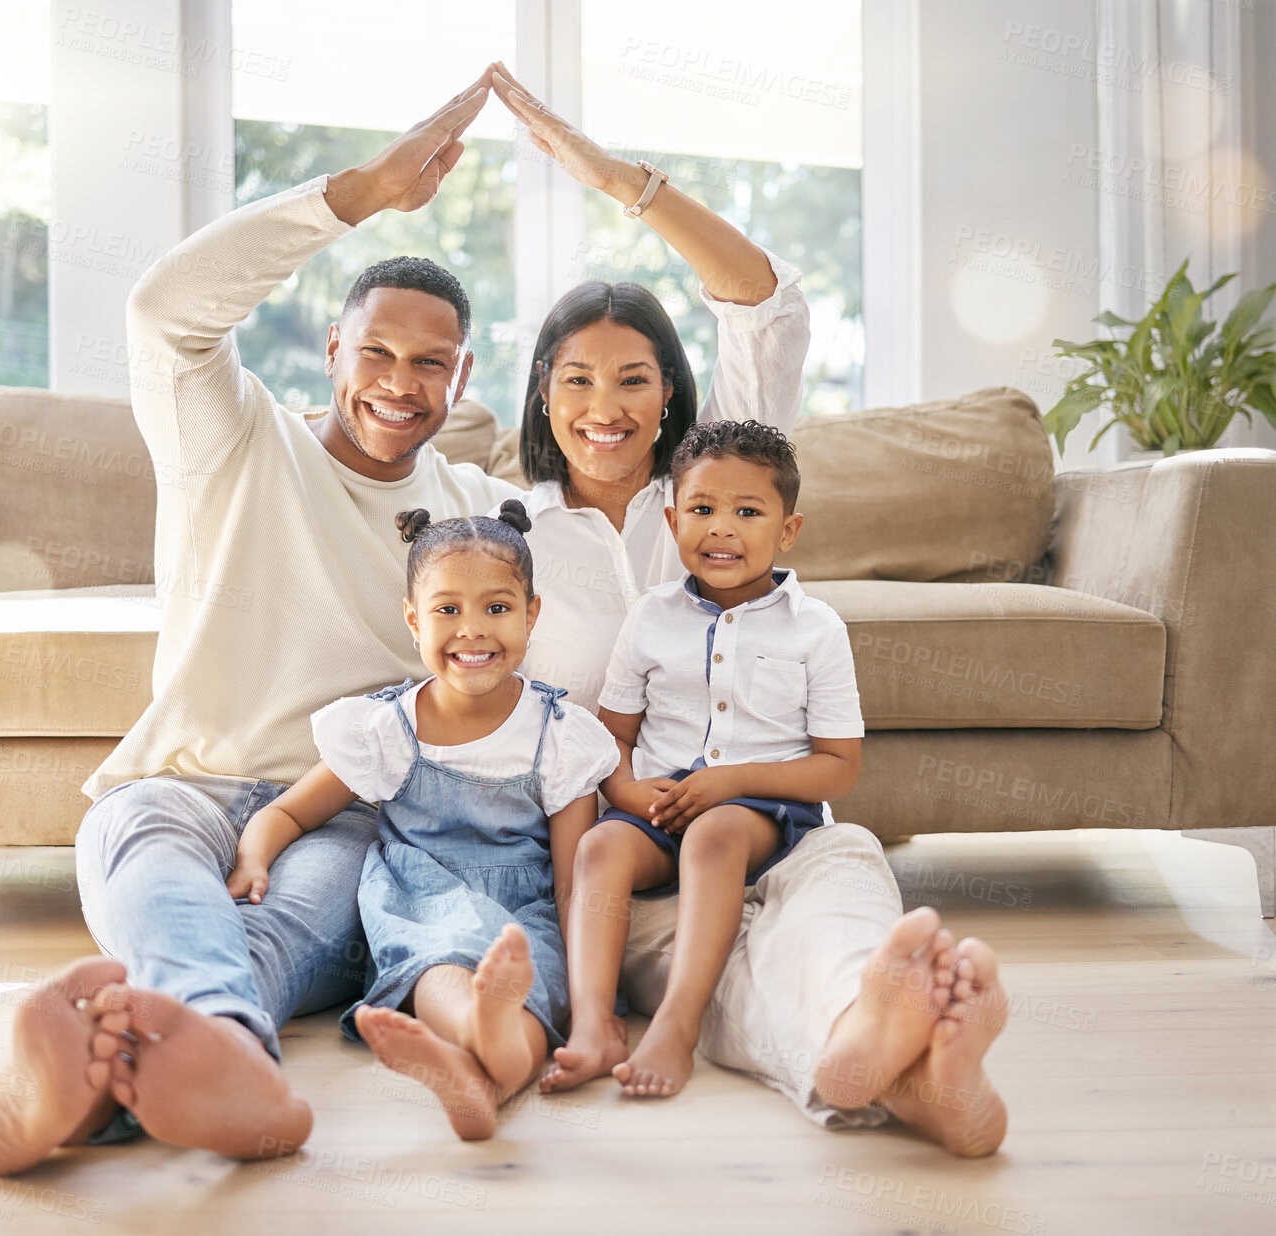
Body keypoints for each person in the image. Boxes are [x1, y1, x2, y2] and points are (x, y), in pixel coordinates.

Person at [0, 70, 525, 1175]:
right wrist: (352, 195)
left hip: (349, 813)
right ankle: (214, 1058)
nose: (399, 384)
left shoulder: (472, 514)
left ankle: (106, 1083)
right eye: (377, 352)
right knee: (165, 883)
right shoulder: (232, 439)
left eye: (429, 364)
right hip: (179, 787)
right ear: (331, 352)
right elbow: (163, 311)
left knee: (287, 930)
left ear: (461, 378)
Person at [488, 64, 1009, 1156]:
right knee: (717, 974)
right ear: (542, 392)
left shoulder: (712, 483)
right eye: (575, 381)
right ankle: (915, 1081)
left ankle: (905, 1040)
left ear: (673, 393)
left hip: (777, 822)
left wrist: (607, 176)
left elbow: (765, 300)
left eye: (632, 379)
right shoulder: (508, 529)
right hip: (629, 843)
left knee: (838, 900)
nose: (604, 408)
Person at [223, 500, 618, 1139]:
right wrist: (253, 858)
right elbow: (291, 811)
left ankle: (480, 1079)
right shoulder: (389, 730)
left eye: (497, 608)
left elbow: (575, 881)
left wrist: (586, 986)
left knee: (537, 1000)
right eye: (446, 610)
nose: (473, 630)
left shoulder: (562, 733)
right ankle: (473, 1024)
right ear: (413, 619)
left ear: (531, 614)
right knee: (437, 964)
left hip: (528, 911)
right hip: (421, 895)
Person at [558, 419, 861, 1097]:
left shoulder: (816, 629)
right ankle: (592, 1023)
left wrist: (732, 783)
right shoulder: (650, 617)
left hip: (760, 810)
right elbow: (613, 737)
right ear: (672, 521)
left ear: (789, 530)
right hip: (660, 808)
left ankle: (677, 1024)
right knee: (601, 849)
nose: (721, 528)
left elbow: (839, 765)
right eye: (701, 510)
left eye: (747, 512)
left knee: (716, 834)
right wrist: (633, 796)